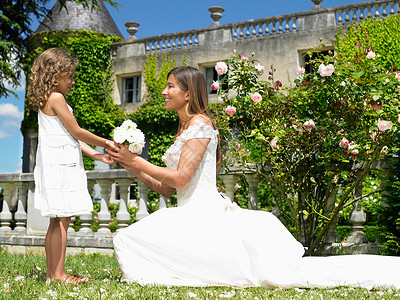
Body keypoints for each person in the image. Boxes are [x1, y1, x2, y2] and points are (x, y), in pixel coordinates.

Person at [106, 66, 400, 288]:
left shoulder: (200, 124)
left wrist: (134, 159)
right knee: (130, 239)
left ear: (188, 92)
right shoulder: (182, 129)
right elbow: (167, 189)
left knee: (130, 239)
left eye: (170, 86)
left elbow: (181, 179)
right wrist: (129, 164)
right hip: (186, 210)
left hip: (203, 211)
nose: (164, 92)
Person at [27, 48, 114, 284]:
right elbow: (76, 131)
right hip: (61, 165)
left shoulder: (47, 100)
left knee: (57, 220)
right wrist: (107, 142)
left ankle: (51, 274)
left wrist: (97, 155)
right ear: (56, 75)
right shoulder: (57, 98)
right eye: (70, 76)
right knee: (62, 218)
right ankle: (59, 274)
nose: (73, 81)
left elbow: (69, 138)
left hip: (55, 161)